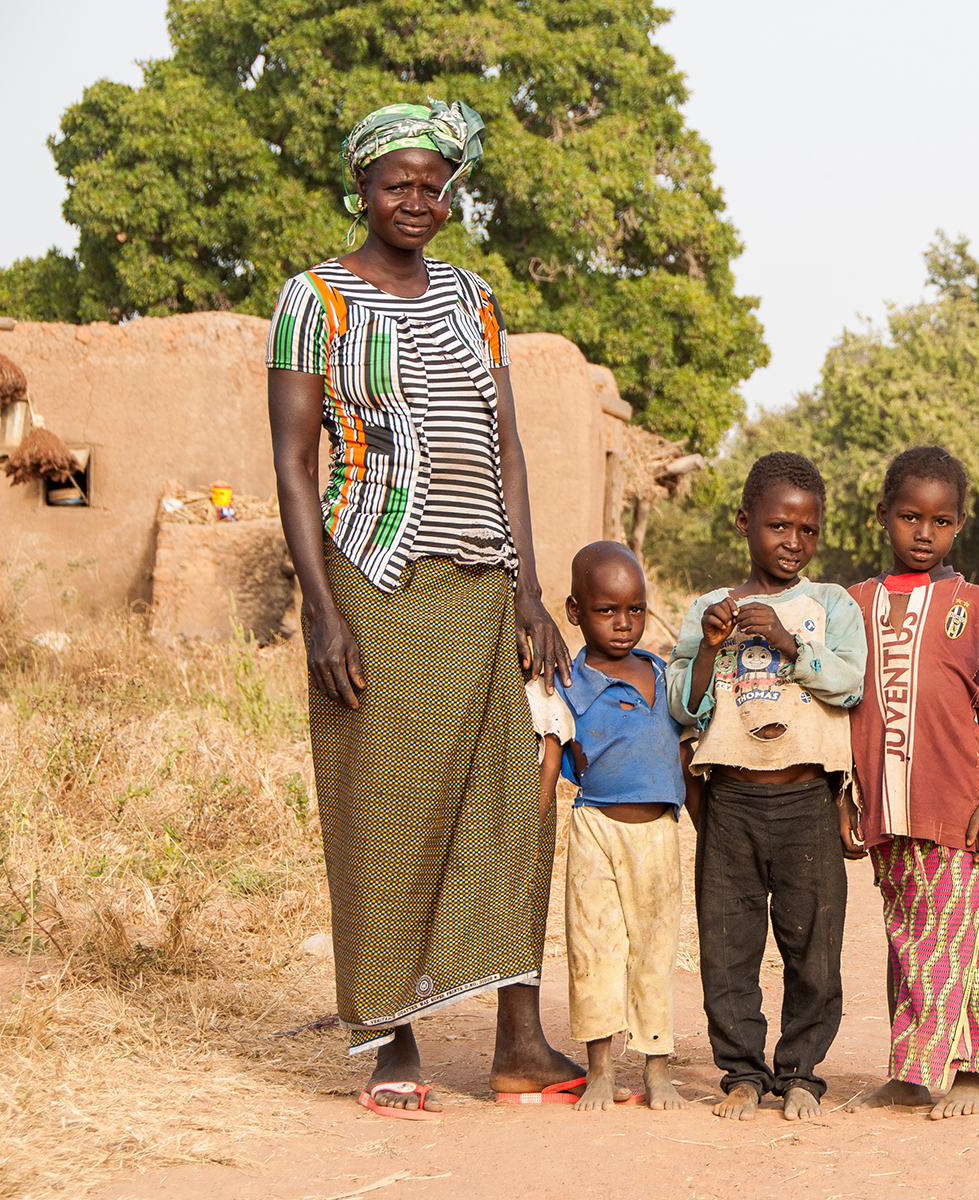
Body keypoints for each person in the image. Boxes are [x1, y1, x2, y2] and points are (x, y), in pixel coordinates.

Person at [268, 100, 604, 1120]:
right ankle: (391, 1039)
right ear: (361, 189)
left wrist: (530, 590)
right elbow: (292, 463)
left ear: (449, 195)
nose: (416, 200)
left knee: (516, 803)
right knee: (387, 812)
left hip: (484, 585)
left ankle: (517, 1044)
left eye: (433, 184)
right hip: (375, 586)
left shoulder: (474, 298)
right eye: (396, 183)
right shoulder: (314, 300)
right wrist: (321, 614)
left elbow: (505, 447)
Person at [665, 452, 868, 1122]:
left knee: (814, 948)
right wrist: (707, 647)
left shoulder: (830, 605)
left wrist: (787, 642)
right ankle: (742, 1073)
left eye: (808, 530)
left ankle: (803, 1073)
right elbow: (680, 706)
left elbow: (848, 683)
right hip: (731, 803)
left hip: (808, 798)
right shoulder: (708, 609)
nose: (794, 542)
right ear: (745, 522)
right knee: (728, 946)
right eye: (780, 526)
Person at [841, 446, 979, 1121]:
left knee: (973, 935)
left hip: (963, 806)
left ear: (959, 525)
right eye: (910, 517)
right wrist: (844, 796)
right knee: (909, 939)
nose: (924, 532)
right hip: (888, 806)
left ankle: (969, 1071)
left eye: (941, 521)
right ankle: (913, 1073)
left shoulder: (976, 607)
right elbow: (837, 706)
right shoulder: (852, 605)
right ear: (881, 516)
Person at [521, 542, 695, 1111]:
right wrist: (537, 814)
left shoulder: (663, 676)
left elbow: (688, 759)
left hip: (659, 837)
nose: (624, 624)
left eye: (636, 610)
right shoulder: (567, 680)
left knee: (654, 948)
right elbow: (550, 749)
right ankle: (599, 1069)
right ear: (574, 612)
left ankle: (657, 1069)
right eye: (606, 611)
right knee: (593, 946)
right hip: (595, 829)